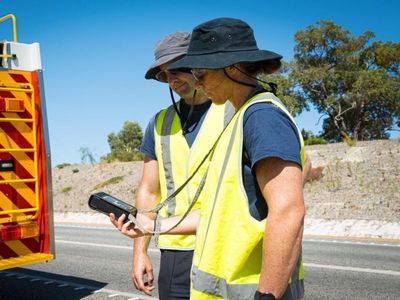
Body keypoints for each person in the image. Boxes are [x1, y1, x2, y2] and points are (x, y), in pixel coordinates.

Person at [112, 20, 311, 300]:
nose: (197, 80)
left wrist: (268, 295)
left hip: (251, 283)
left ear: (231, 67)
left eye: (200, 71)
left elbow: (289, 211)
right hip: (212, 271)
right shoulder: (238, 117)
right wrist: (149, 227)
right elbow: (219, 212)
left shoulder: (260, 117)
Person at [117, 32, 233, 300]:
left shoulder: (234, 110)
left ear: (200, 64)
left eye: (178, 69)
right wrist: (140, 252)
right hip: (176, 252)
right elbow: (148, 192)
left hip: (225, 247)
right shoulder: (159, 123)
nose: (172, 80)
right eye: (165, 75)